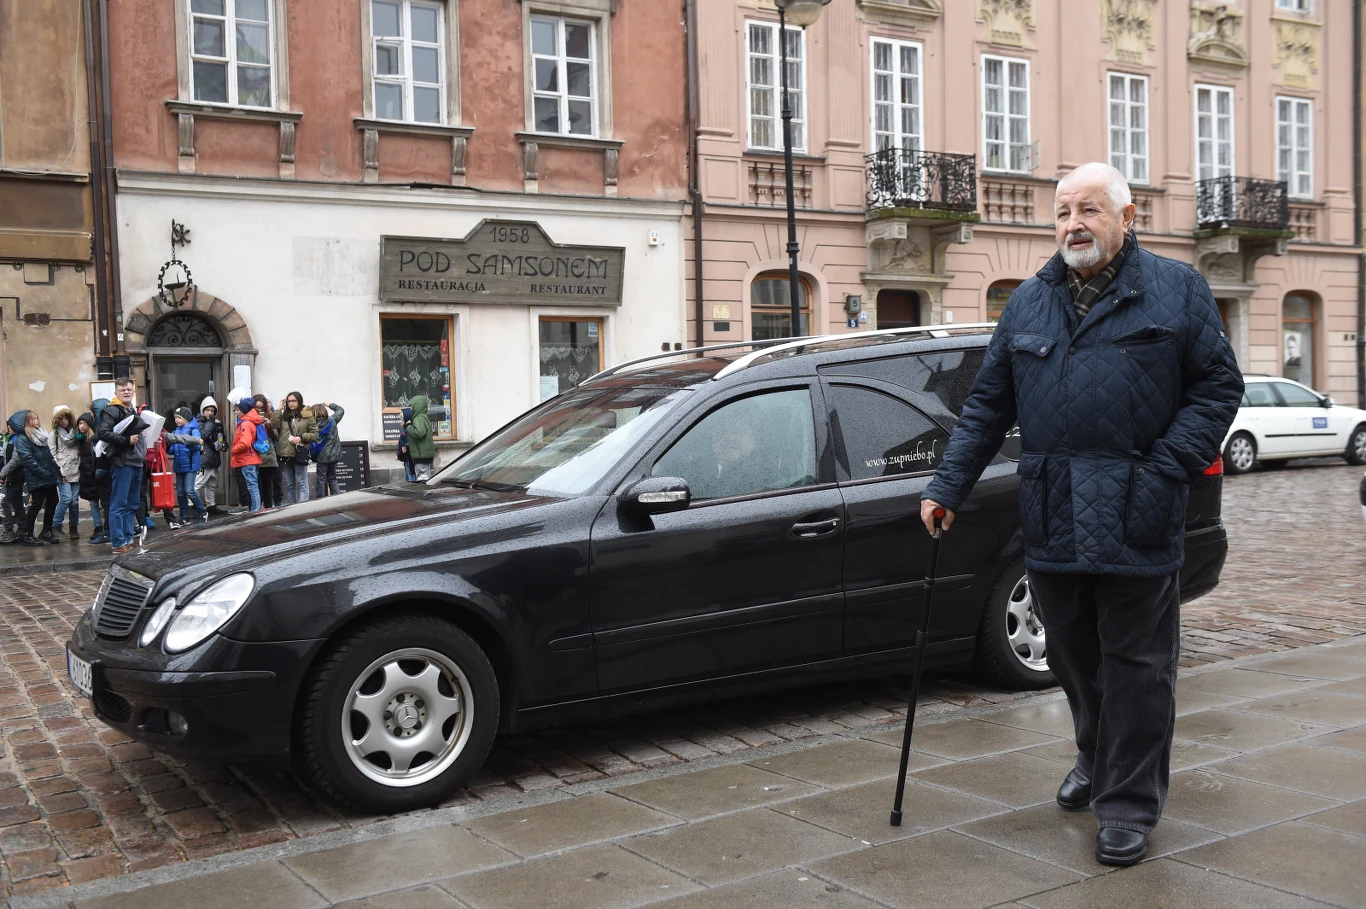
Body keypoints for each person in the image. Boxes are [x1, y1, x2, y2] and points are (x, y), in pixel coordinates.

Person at [920, 163, 1244, 867]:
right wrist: (948, 485)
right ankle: (1097, 753)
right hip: (1055, 510)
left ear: (1129, 218)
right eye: (1064, 211)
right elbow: (986, 405)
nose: (1074, 223)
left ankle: (1127, 803)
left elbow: (1219, 388)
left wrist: (1165, 468)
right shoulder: (1029, 302)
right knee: (1070, 655)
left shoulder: (1176, 289)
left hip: (1141, 508)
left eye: (1090, 209)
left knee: (1138, 666)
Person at [96, 377, 148, 554]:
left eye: (129, 389)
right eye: (122, 389)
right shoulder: (111, 410)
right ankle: (118, 543)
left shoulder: (133, 410)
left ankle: (127, 539)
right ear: (116, 392)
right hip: (122, 463)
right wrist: (126, 440)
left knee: (132, 504)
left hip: (137, 463)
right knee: (119, 503)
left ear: (133, 391)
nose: (126, 392)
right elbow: (102, 433)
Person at [14, 410, 62, 545]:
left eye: (37, 418)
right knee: (36, 504)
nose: (37, 421)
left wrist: (58, 471)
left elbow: (49, 456)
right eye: (34, 419)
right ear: (27, 422)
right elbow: (28, 460)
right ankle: (27, 534)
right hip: (37, 477)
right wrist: (43, 473)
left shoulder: (41, 435)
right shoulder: (23, 439)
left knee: (53, 501)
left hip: (48, 476)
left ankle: (46, 531)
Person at [271, 390, 317, 505]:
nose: (291, 403)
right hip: (285, 454)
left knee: (302, 482)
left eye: (293, 401)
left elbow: (315, 434)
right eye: (289, 401)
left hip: (299, 453)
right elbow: (273, 425)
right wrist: (278, 409)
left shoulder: (307, 416)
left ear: (299, 401)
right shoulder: (283, 416)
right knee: (289, 484)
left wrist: (301, 437)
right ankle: (292, 508)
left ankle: (302, 508)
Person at [167, 407, 207, 525]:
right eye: (175, 418)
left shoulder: (193, 430)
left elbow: (197, 446)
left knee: (189, 490)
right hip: (179, 465)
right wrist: (169, 446)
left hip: (190, 465)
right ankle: (184, 517)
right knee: (180, 492)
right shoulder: (176, 431)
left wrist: (184, 441)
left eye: (179, 417)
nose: (177, 420)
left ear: (186, 418)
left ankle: (202, 512)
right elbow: (172, 450)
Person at [48, 406, 82, 539]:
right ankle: (56, 525)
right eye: (60, 419)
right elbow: (52, 455)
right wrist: (60, 472)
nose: (63, 421)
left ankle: (73, 528)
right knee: (67, 498)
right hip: (62, 472)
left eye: (65, 418)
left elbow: (81, 450)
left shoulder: (76, 433)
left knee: (74, 502)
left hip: (76, 470)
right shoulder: (54, 435)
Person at [77, 411, 109, 544]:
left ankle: (105, 529)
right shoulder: (81, 440)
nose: (81, 426)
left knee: (103, 503)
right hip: (87, 478)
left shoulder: (94, 440)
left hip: (96, 476)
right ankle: (98, 527)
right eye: (79, 423)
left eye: (84, 423)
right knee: (93, 503)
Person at [230, 397, 264, 512]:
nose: (236, 412)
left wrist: (234, 449)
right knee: (253, 485)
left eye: (238, 410)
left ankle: (255, 510)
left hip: (247, 459)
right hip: (251, 458)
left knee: (252, 486)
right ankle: (256, 508)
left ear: (243, 410)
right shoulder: (251, 422)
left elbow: (245, 443)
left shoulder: (245, 424)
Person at [195, 396, 227, 515]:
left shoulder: (217, 423)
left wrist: (224, 445)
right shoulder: (197, 423)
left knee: (211, 484)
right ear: (202, 410)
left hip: (214, 458)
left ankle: (211, 505)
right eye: (208, 410)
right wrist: (210, 422)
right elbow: (203, 435)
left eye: (213, 411)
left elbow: (222, 438)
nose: (210, 413)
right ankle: (193, 506)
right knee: (197, 484)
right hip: (203, 458)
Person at [253, 395, 283, 509]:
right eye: (257, 407)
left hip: (267, 454)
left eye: (261, 408)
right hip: (255, 453)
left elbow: (275, 436)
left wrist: (269, 425)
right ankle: (256, 507)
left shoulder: (269, 415)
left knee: (267, 483)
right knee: (255, 483)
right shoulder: (248, 417)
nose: (259, 410)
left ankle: (268, 507)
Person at [310, 402, 345, 498]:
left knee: (321, 479)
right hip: (334, 455)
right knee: (332, 478)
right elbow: (340, 410)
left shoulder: (312, 425)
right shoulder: (332, 421)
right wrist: (330, 404)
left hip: (321, 456)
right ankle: (337, 499)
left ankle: (320, 501)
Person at [0, 418, 23, 544]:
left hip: (16, 477)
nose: (9, 428)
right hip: (9, 477)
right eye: (8, 426)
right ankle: (21, 529)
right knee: (17, 504)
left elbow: (15, 461)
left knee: (5, 502)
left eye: (11, 426)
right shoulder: (9, 439)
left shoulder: (19, 439)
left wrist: (2, 474)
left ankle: (9, 531)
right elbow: (5, 459)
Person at [406, 395, 436, 480]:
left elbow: (419, 433)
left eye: (412, 406)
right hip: (423, 454)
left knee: (422, 478)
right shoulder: (423, 417)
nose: (411, 409)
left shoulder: (418, 418)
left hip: (421, 455)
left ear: (417, 406)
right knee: (424, 477)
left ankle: (423, 493)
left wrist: (407, 426)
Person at [398, 407, 415, 482]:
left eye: (402, 419)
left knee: (411, 480)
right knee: (408, 480)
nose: (400, 421)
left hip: (409, 460)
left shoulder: (408, 430)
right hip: (406, 459)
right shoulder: (406, 430)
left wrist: (400, 454)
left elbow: (406, 447)